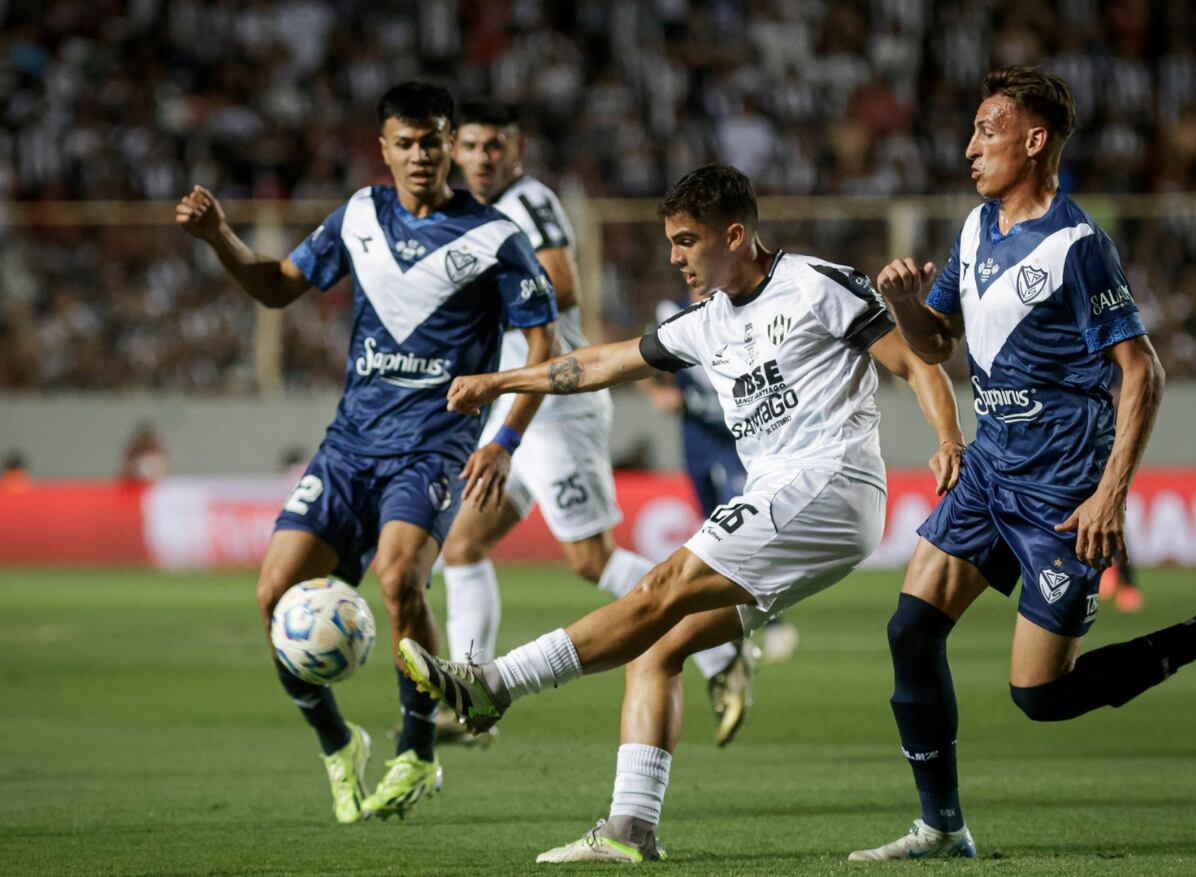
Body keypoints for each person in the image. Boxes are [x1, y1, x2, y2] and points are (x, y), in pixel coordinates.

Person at [401, 164, 966, 862]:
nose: (675, 257)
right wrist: (502, 379)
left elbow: (917, 360)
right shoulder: (706, 324)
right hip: (788, 495)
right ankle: (630, 828)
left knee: (658, 587)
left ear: (735, 235)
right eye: (671, 242)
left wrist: (948, 438)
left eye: (687, 240)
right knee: (660, 642)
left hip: (830, 480)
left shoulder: (816, 284)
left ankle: (493, 683)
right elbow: (603, 362)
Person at [853, 67, 1196, 862]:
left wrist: (1109, 496)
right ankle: (942, 826)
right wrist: (913, 305)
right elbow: (937, 346)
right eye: (973, 130)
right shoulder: (975, 228)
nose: (969, 147)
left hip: (1061, 489)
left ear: (1035, 139)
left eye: (988, 130)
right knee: (910, 630)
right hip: (990, 470)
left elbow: (1142, 370)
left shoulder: (1078, 244)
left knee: (1042, 697)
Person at [175, 82, 560, 824]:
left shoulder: (494, 237)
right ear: (383, 149)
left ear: (451, 145)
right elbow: (279, 287)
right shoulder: (359, 215)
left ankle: (417, 752)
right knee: (271, 597)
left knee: (399, 580)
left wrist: (505, 439)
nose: (421, 156)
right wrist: (220, 236)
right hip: (349, 447)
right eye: (405, 143)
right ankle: (338, 743)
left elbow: (546, 344)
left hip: (432, 445)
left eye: (433, 141)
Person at [438, 99, 753, 749]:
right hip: (518, 403)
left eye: (493, 145)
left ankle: (722, 647)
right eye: (469, 146)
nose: (481, 158)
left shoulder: (529, 202)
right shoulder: (473, 210)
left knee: (592, 559)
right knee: (462, 544)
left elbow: (563, 288)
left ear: (516, 149)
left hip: (554, 410)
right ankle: (467, 694)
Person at [650, 293, 800, 666]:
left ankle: (772, 620)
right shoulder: (673, 314)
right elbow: (643, 365)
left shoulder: (740, 312)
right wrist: (657, 392)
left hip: (735, 444)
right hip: (695, 442)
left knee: (738, 538)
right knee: (713, 533)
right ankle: (732, 626)